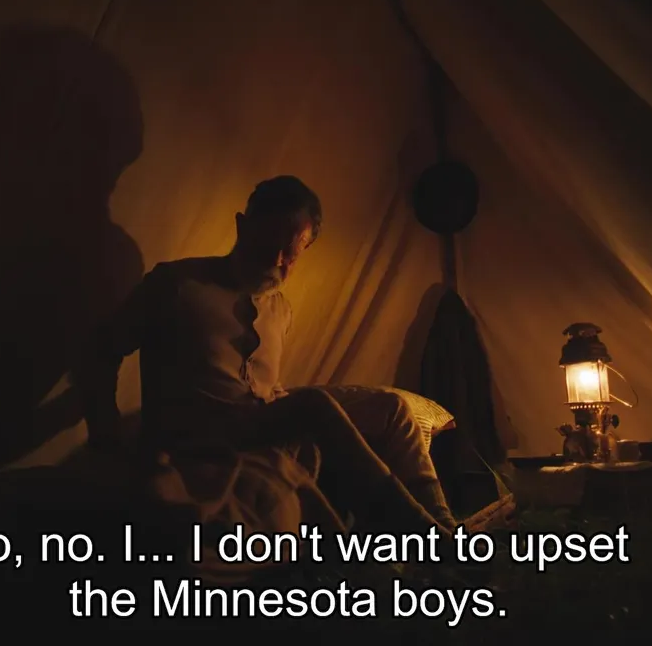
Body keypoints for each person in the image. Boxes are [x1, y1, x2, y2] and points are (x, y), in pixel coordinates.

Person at [83, 175, 511, 537]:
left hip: (264, 421)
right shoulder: (177, 285)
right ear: (242, 226)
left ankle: (442, 522)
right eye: (267, 243)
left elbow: (264, 388)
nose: (276, 260)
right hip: (201, 433)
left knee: (392, 408)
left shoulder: (279, 309)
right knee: (313, 406)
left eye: (291, 251)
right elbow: (101, 352)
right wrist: (106, 439)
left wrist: (286, 410)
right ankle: (422, 533)